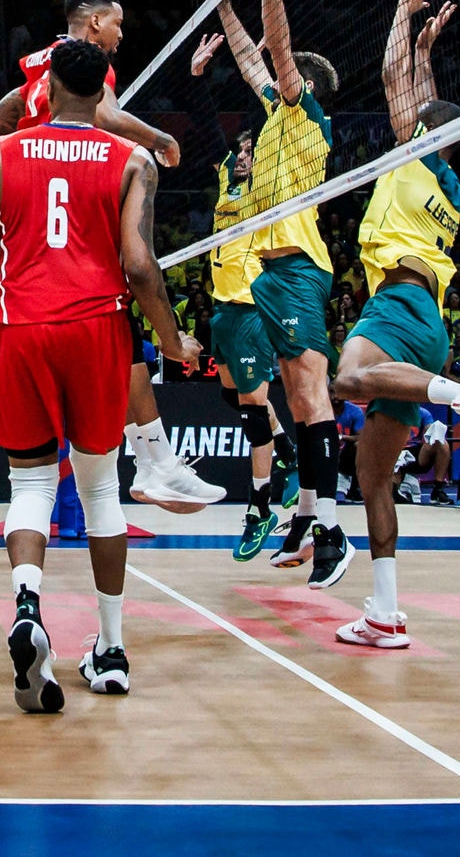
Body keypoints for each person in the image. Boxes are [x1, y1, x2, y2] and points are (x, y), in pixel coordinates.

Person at [0, 39, 198, 709]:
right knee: (100, 489)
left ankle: (28, 604)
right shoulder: (132, 158)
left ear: (48, 87)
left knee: (29, 481)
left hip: (22, 327)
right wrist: (172, 341)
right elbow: (141, 266)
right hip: (98, 328)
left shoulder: (0, 154)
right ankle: (110, 650)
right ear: (103, 96)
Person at [328, 0, 460, 645]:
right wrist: (427, 51)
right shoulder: (449, 187)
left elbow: (392, 80)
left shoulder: (415, 153)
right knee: (371, 473)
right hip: (429, 324)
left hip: (396, 313)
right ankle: (384, 612)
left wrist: (404, 13)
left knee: (346, 378)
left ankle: (459, 397)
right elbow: (421, 97)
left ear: (422, 131)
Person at [0, 0, 219, 512]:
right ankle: (154, 462)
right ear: (93, 25)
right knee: (121, 305)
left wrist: (17, 146)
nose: (120, 33)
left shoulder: (43, 64)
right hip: (82, 199)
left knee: (124, 328)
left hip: (35, 216)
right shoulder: (91, 68)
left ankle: (155, 460)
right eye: (116, 23)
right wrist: (160, 138)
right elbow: (108, 119)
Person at [212, 0, 347, 576]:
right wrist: (221, 0)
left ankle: (332, 530)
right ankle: (301, 523)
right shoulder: (272, 118)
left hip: (297, 267)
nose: (269, 74)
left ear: (303, 86)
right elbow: (247, 55)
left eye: (281, 75)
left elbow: (277, 48)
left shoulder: (305, 115)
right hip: (269, 272)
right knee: (295, 402)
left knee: (312, 398)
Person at [187, 30, 299, 559]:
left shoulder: (267, 188)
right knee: (232, 396)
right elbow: (209, 132)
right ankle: (290, 455)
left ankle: (261, 508)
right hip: (224, 313)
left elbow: (276, 136)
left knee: (254, 413)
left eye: (253, 149)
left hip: (254, 308)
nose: (245, 154)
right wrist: (199, 77)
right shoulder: (228, 178)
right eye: (243, 149)